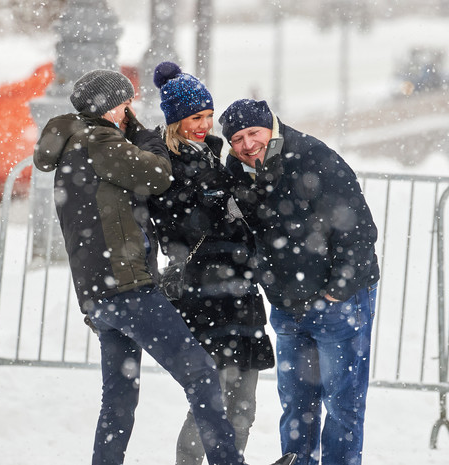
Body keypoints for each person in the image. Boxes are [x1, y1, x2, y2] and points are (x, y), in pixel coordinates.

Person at [33, 70, 294, 465]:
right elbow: (157, 175)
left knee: (119, 399)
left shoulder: (74, 146)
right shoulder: (100, 140)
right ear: (109, 107)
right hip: (127, 288)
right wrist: (145, 134)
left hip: (99, 294)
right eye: (125, 104)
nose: (129, 111)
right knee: (202, 376)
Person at [219, 99, 380, 465]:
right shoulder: (237, 172)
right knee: (297, 406)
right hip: (287, 306)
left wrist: (337, 288)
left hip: (337, 303)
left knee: (343, 404)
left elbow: (357, 229)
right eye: (237, 139)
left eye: (253, 133)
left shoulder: (313, 158)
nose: (246, 144)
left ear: (271, 127)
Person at [147, 62, 275, 465]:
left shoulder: (215, 157)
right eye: (194, 118)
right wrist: (219, 206)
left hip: (240, 290)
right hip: (206, 293)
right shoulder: (167, 162)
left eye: (206, 116)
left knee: (244, 403)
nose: (203, 125)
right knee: (212, 401)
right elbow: (175, 230)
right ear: (175, 121)